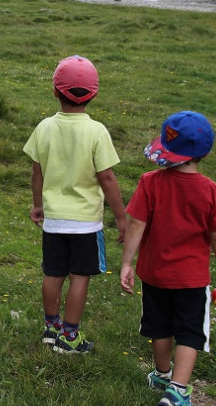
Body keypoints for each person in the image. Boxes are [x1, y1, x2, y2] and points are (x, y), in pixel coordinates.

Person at [120, 111, 216, 406]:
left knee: (160, 327)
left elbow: (136, 224)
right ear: (203, 152)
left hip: (154, 274)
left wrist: (127, 263)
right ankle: (177, 390)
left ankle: (162, 374)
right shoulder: (211, 191)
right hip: (191, 279)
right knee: (190, 333)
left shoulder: (149, 182)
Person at [23, 55, 126, 354]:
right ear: (93, 94)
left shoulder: (44, 127)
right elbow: (106, 177)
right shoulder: (97, 131)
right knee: (80, 277)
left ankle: (51, 328)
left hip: (54, 219)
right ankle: (70, 337)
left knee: (52, 273)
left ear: (55, 91)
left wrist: (37, 205)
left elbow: (36, 172)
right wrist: (121, 217)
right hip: (86, 223)